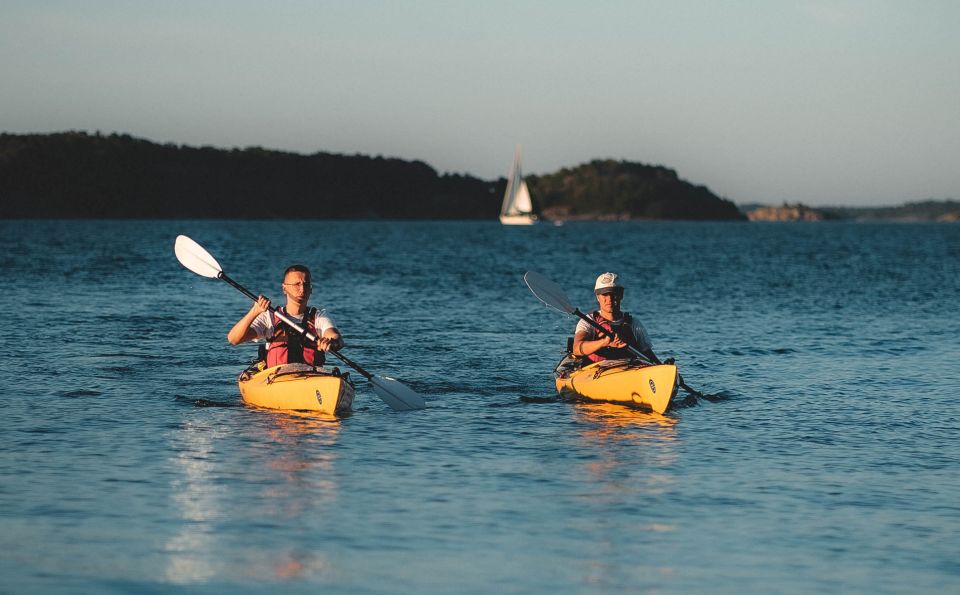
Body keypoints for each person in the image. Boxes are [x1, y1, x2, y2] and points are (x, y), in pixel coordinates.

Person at [227, 264, 342, 367]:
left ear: (311, 289)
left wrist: (331, 342)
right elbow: (234, 339)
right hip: (277, 379)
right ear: (284, 288)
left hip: (311, 378)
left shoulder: (319, 316)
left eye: (306, 284)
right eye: (297, 284)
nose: (302, 289)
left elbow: (336, 338)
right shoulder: (270, 317)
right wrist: (254, 311)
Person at [571, 272, 661, 364]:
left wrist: (663, 367)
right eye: (604, 294)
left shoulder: (634, 323)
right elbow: (576, 349)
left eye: (613, 293)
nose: (609, 299)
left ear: (621, 295)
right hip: (597, 371)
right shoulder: (588, 321)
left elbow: (648, 354)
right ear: (598, 297)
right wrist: (604, 342)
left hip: (629, 370)